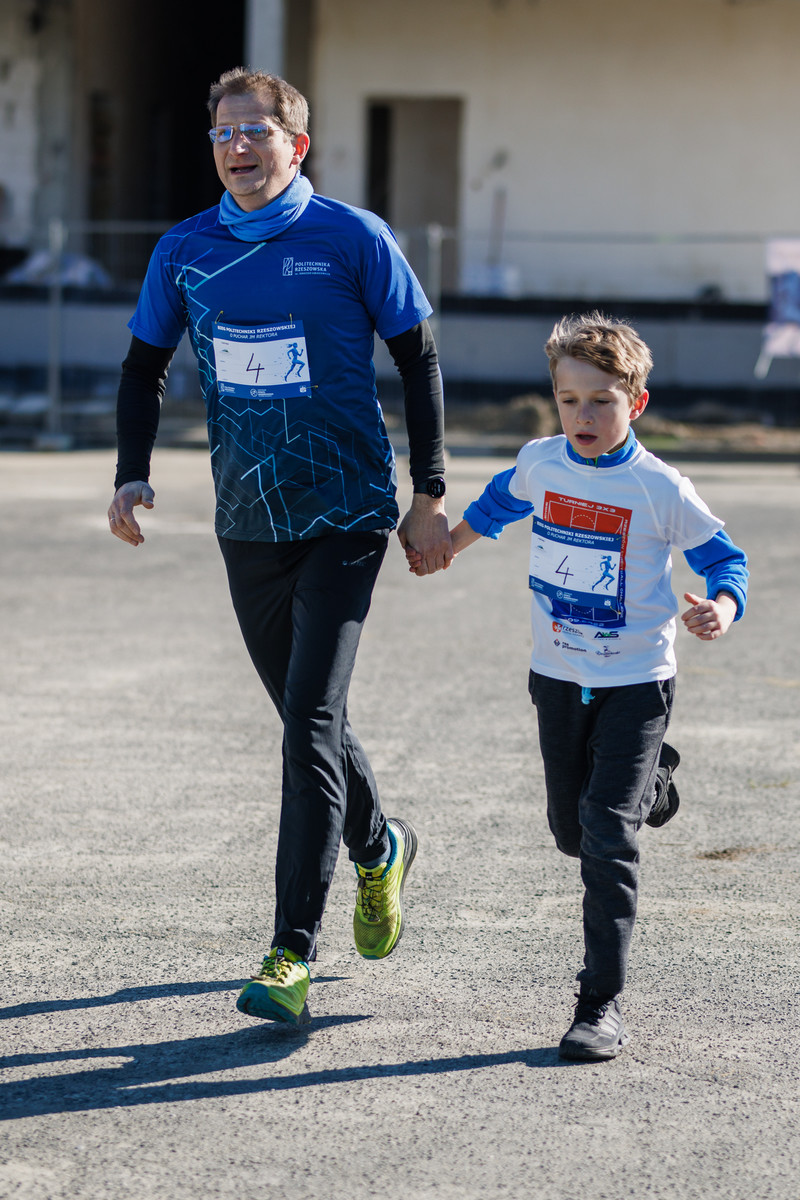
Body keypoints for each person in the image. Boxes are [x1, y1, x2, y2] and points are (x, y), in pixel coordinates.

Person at [108, 67, 453, 1026]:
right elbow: (143, 367)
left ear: (296, 145)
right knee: (312, 721)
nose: (237, 146)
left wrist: (428, 493)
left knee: (308, 725)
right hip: (248, 520)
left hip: (347, 513)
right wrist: (131, 471)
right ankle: (380, 847)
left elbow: (418, 357)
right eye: (224, 132)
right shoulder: (186, 249)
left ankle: (288, 953)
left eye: (256, 130)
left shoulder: (353, 236)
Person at [407, 312, 748, 1061]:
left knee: (606, 834)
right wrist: (448, 546)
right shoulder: (541, 463)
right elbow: (497, 504)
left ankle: (600, 1004)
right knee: (572, 832)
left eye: (602, 400)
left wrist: (721, 608)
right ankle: (655, 786)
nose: (583, 416)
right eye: (569, 400)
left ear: (637, 403)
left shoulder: (660, 487)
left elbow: (727, 560)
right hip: (558, 679)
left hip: (636, 684)